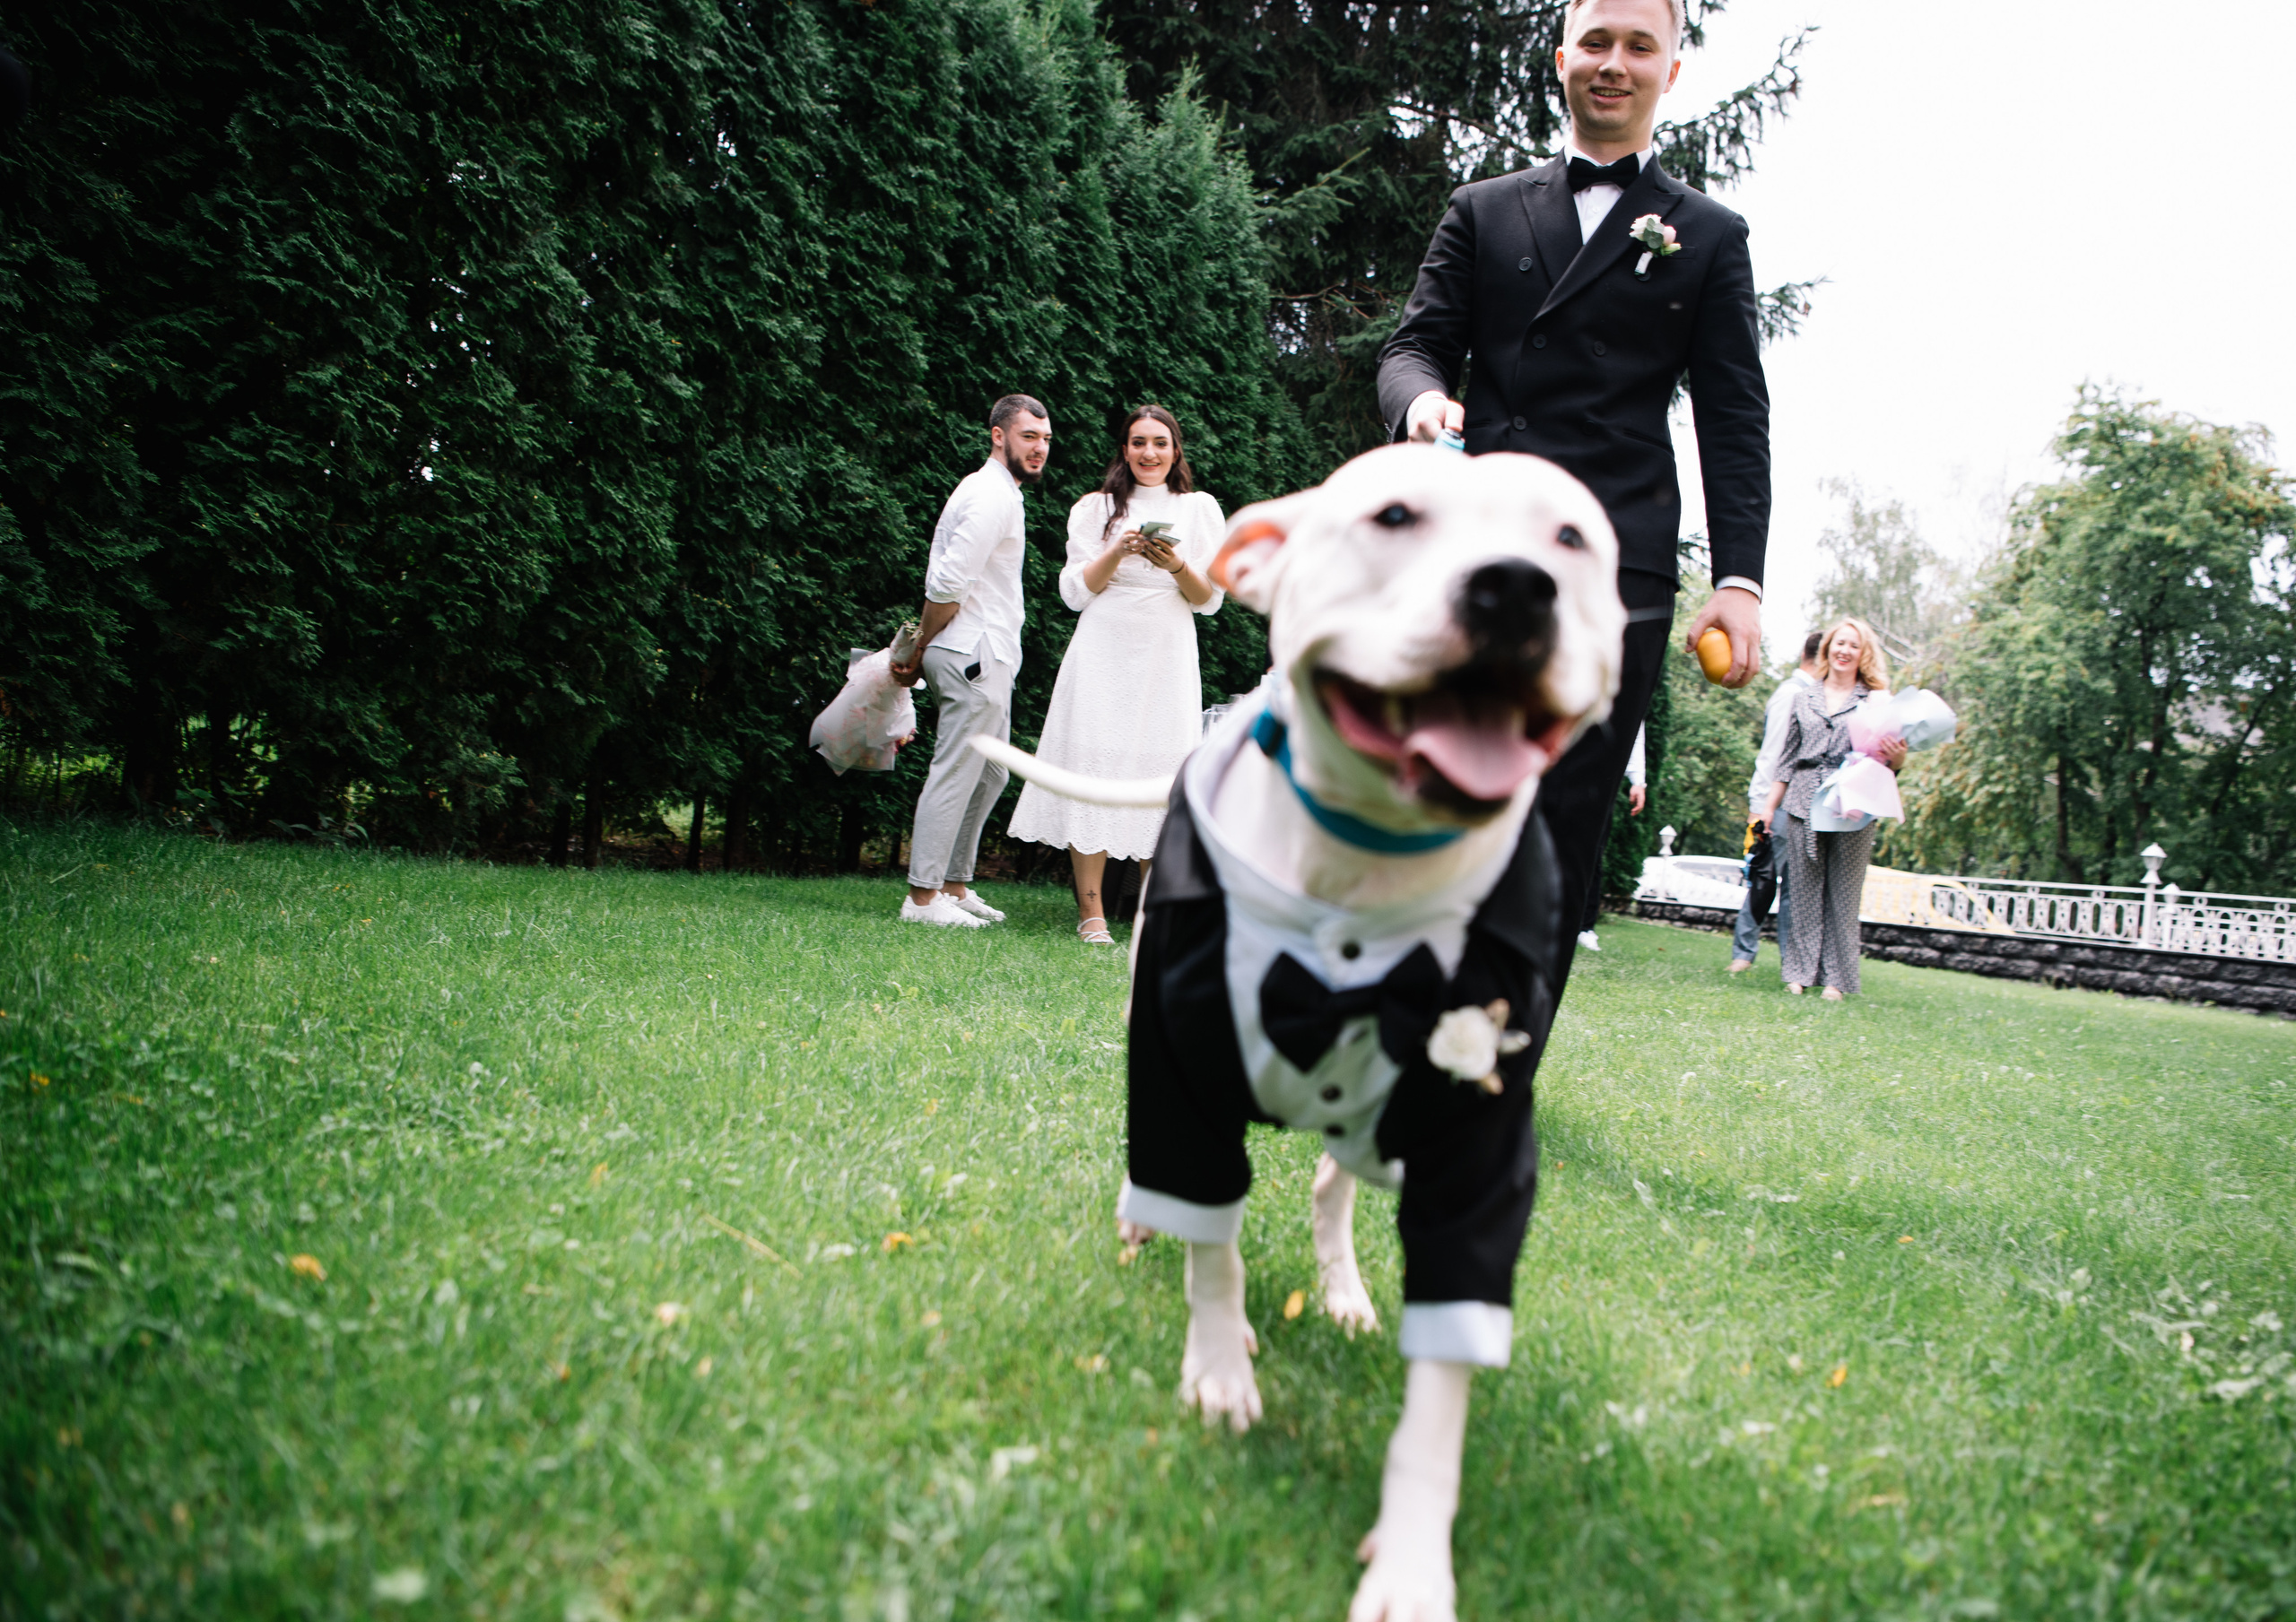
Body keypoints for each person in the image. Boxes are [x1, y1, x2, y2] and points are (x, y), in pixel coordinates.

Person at [1377, 0, 1771, 1002]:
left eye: (1639, 46)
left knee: (1561, 826)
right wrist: (1421, 403)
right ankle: (1400, 1026)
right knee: (1434, 797)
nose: (1613, 63)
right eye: (1596, 41)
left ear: (1670, 71)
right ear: (1562, 58)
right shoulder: (1484, 208)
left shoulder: (1709, 234)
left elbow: (1733, 417)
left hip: (1613, 566)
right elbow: (1414, 347)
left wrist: (1738, 580)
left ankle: (1497, 1061)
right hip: (1474, 547)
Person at [1008, 405, 1224, 942]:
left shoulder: (1199, 508)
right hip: (1104, 647)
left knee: (1160, 773)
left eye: (1160, 442)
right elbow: (1074, 592)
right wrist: (1117, 550)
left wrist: (1174, 564)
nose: (1149, 453)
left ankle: (1153, 915)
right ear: (1124, 450)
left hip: (1167, 650)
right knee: (1095, 765)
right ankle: (1092, 914)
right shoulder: (1095, 507)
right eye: (1138, 442)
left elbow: (1209, 600)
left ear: (1175, 450)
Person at [888, 395, 1052, 927]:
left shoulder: (1002, 493)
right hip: (971, 652)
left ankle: (954, 886)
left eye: (1045, 439)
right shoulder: (989, 494)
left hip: (988, 652)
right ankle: (922, 898)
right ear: (998, 436)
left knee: (991, 774)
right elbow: (948, 584)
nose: (1039, 448)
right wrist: (918, 648)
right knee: (957, 770)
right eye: (1029, 436)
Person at [1756, 618, 1907, 998]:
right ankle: (1799, 973)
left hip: (1852, 802)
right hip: (1803, 800)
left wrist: (1899, 759)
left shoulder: (1875, 701)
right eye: (1839, 643)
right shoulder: (1803, 697)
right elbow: (1786, 759)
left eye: (1853, 645)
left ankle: (1837, 980)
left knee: (1844, 892)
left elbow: (1887, 762)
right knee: (1803, 890)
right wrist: (1769, 807)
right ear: (1827, 649)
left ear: (1863, 654)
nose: (1845, 651)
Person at [1728, 630, 1822, 971]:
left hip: (1803, 805)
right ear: (1821, 659)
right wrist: (1760, 807)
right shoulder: (1792, 695)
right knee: (1765, 878)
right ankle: (1743, 954)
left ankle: (1792, 963)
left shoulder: (1814, 697)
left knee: (1797, 888)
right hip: (1777, 804)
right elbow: (1772, 754)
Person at [1575, 724, 1644, 953]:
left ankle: (1585, 927)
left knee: (1593, 852)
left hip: (1603, 775)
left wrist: (1638, 780)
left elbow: (1636, 728)